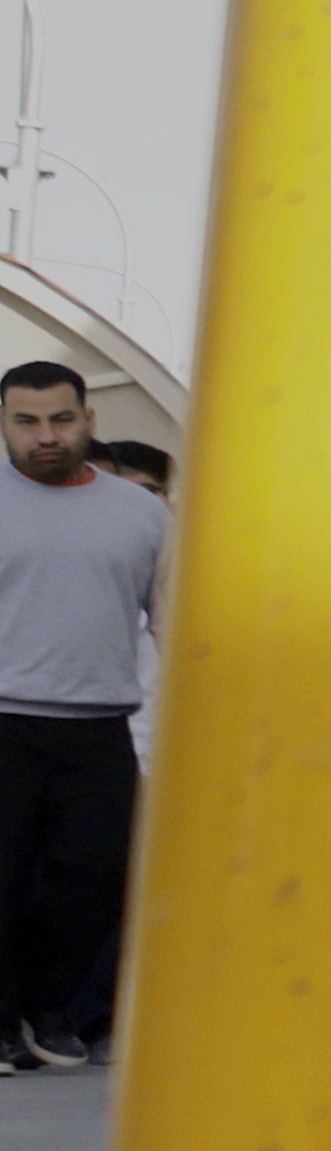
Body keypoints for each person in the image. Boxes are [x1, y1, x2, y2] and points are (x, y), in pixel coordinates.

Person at [0, 360, 167, 1074]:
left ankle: (45, 1008)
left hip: (100, 724)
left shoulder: (140, 513)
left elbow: (175, 622)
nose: (46, 436)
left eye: (62, 420)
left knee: (92, 884)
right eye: (27, 421)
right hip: (5, 716)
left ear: (89, 422)